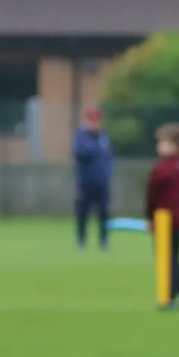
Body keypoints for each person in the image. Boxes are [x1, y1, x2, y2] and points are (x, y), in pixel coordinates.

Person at [146, 123, 179, 309]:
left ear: (175, 145)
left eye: (163, 142)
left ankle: (169, 297)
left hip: (164, 220)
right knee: (175, 257)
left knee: (166, 259)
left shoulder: (161, 169)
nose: (159, 146)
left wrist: (150, 218)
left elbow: (152, 196)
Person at [73, 107, 113, 250]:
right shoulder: (80, 136)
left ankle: (104, 240)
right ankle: (81, 241)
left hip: (102, 181)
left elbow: (108, 156)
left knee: (104, 212)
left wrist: (108, 172)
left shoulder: (103, 136)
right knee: (83, 212)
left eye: (97, 121)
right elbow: (81, 153)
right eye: (92, 121)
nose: (95, 124)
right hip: (85, 182)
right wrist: (97, 152)